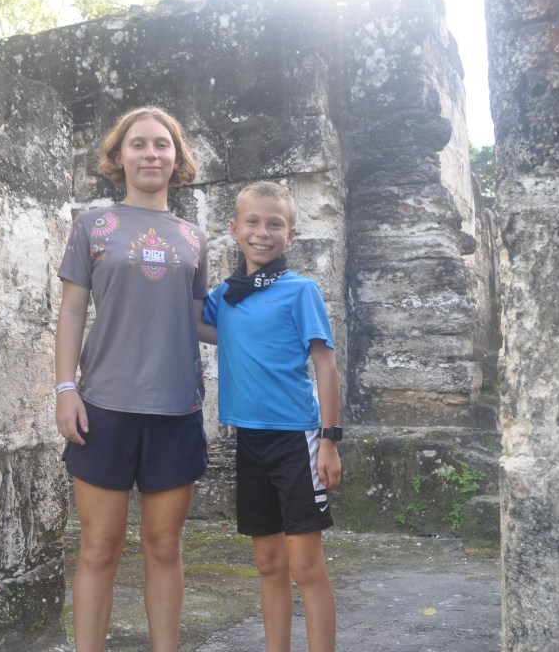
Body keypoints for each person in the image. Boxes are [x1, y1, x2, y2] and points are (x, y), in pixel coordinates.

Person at [54, 106, 209, 652]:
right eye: (138, 144)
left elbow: (198, 320)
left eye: (162, 144)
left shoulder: (194, 237)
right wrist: (65, 389)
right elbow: (72, 311)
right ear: (118, 157)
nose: (150, 153)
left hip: (176, 409)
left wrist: (272, 328)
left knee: (165, 548)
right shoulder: (91, 227)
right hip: (104, 408)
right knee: (100, 547)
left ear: (176, 157)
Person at [201, 180, 343, 652]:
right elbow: (193, 320)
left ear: (291, 235)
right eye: (253, 222)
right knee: (268, 563)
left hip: (295, 440)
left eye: (275, 224)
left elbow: (325, 364)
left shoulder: (300, 290)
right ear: (234, 229)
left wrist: (329, 440)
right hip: (249, 440)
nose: (262, 233)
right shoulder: (227, 295)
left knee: (306, 566)